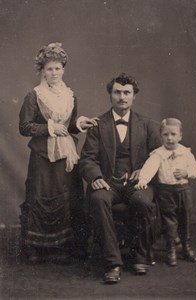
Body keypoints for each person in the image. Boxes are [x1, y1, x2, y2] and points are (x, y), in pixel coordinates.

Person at [19, 42, 97, 263]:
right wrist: (49, 128)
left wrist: (80, 123)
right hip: (43, 155)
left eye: (58, 68)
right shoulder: (34, 95)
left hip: (66, 154)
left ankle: (67, 246)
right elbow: (24, 127)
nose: (54, 73)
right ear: (42, 70)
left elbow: (69, 125)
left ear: (63, 69)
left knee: (67, 197)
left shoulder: (70, 95)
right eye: (49, 69)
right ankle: (35, 247)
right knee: (41, 196)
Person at [79, 73, 161, 284]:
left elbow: (159, 156)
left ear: (134, 96)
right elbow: (87, 158)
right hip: (109, 182)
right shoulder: (98, 125)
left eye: (127, 93)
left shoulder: (148, 125)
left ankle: (140, 256)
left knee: (142, 201)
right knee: (98, 199)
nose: (122, 97)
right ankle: (112, 262)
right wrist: (95, 177)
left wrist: (143, 172)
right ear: (110, 95)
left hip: (138, 183)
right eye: (117, 92)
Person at [135, 118, 196, 266]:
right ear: (161, 136)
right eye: (165, 134)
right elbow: (148, 169)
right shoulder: (158, 154)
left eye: (173, 134)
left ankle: (185, 247)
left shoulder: (186, 152)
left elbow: (195, 169)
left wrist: (186, 173)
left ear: (180, 136)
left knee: (185, 218)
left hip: (183, 190)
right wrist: (143, 181)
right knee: (169, 221)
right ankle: (171, 248)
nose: (169, 138)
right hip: (166, 192)